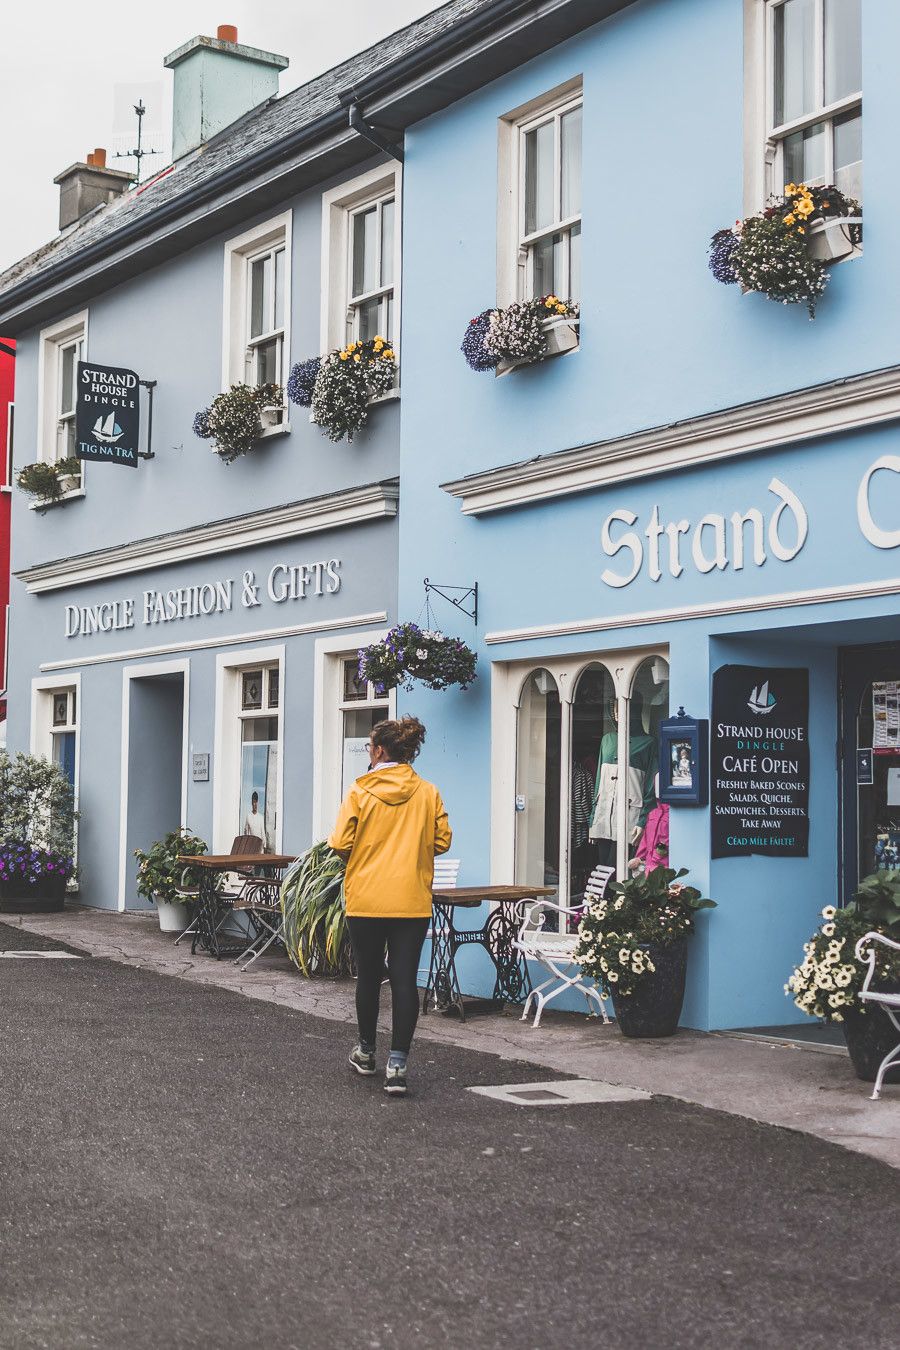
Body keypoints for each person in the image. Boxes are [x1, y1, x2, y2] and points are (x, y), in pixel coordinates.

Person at [328, 715, 451, 1096]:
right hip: (411, 900)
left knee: (368, 976)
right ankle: (397, 1064)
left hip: (366, 898)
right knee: (403, 978)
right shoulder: (428, 792)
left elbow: (339, 842)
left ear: (379, 750)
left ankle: (366, 1053)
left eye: (369, 746)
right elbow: (442, 840)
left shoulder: (360, 792)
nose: (368, 751)